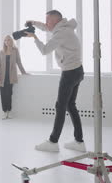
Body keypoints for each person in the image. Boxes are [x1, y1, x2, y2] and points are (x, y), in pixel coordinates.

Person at [25, 10, 86, 153]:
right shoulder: (65, 27)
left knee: (60, 106)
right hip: (77, 70)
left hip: (70, 73)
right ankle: (79, 142)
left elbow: (45, 50)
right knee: (70, 105)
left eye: (48, 20)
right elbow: (47, 28)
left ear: (56, 21)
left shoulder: (61, 33)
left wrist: (34, 37)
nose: (46, 24)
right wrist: (34, 23)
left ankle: (53, 142)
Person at [0, 35, 27, 120]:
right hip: (2, 77)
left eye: (8, 40)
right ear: (4, 42)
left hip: (11, 77)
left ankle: (9, 112)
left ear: (11, 41)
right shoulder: (1, 52)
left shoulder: (15, 50)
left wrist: (24, 72)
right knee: (2, 95)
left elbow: (19, 62)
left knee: (9, 94)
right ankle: (4, 112)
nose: (7, 42)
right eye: (5, 40)